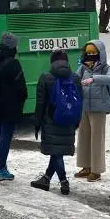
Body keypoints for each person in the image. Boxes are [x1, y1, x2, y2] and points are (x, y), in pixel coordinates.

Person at [31, 49, 83, 195]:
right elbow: (80, 101)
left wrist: (37, 122)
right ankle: (47, 178)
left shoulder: (46, 77)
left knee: (57, 152)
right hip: (69, 119)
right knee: (57, 152)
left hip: (52, 120)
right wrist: (76, 121)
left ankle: (63, 182)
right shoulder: (75, 78)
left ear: (52, 61)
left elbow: (40, 103)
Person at [0, 32, 28, 181]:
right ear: (12, 47)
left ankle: (0, 164)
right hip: (10, 105)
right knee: (5, 136)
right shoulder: (13, 64)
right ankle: (1, 168)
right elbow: (21, 88)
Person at [75, 40, 110, 182]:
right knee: (83, 137)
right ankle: (86, 167)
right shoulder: (83, 68)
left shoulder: (107, 69)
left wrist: (94, 79)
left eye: (93, 53)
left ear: (100, 54)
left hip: (99, 109)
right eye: (88, 53)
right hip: (84, 107)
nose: (90, 55)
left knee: (97, 139)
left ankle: (96, 170)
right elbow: (75, 78)